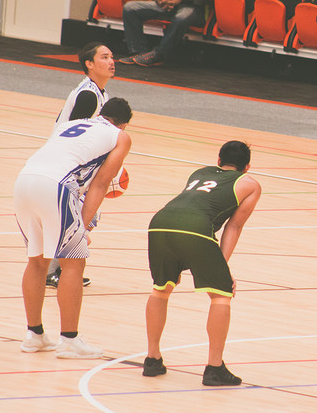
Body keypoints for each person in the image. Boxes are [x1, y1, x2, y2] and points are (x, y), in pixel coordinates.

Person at [15, 98, 132, 358]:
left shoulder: (74, 123)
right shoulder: (120, 137)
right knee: (74, 262)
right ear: (123, 124)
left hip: (24, 180)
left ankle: (34, 335)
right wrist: (84, 227)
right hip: (56, 186)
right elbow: (101, 184)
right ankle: (69, 340)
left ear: (102, 113)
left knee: (36, 261)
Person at [142, 141, 261, 385]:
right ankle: (214, 368)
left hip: (160, 222)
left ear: (218, 161)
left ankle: (152, 359)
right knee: (220, 294)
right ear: (247, 167)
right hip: (194, 227)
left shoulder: (198, 173)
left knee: (161, 290)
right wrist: (222, 268)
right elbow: (234, 226)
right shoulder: (250, 184)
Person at [47, 41, 116, 289]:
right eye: (105, 57)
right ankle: (54, 271)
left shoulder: (98, 92)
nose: (111, 61)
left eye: (112, 57)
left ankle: (56, 270)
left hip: (71, 165)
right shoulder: (88, 95)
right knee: (78, 217)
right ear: (89, 64)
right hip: (68, 166)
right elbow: (76, 136)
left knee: (82, 218)